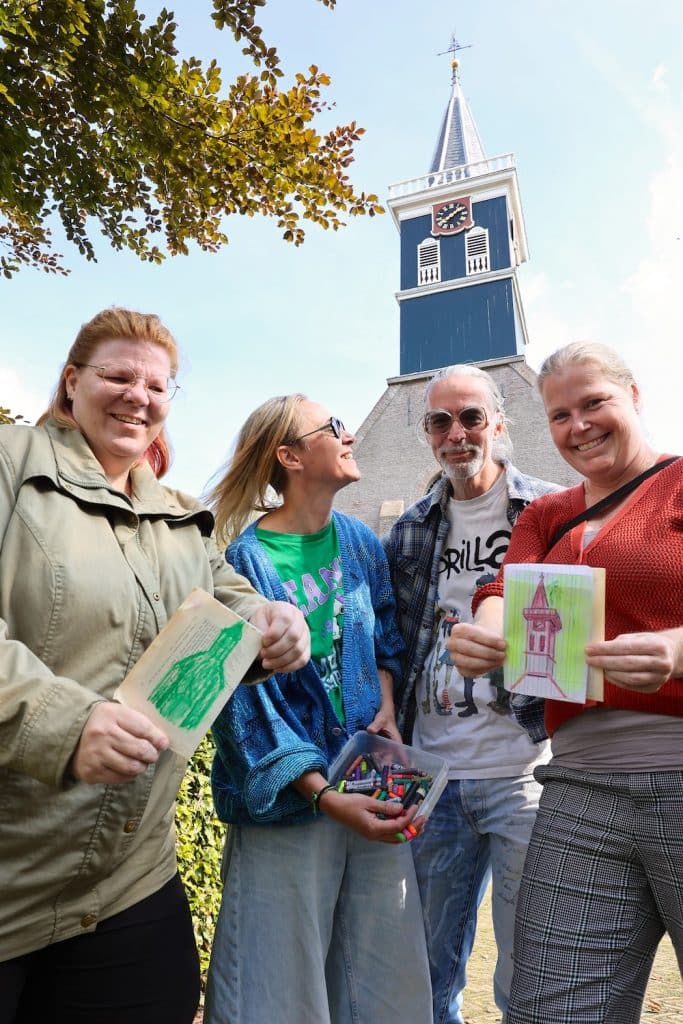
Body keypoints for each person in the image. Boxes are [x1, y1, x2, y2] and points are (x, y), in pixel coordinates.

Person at [0, 308, 309, 1024]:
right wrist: (66, 724)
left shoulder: (179, 519)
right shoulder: (11, 465)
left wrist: (272, 622)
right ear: (72, 381)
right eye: (117, 375)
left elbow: (233, 605)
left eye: (157, 385)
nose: (138, 395)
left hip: (129, 880)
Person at [449, 341, 683, 1024]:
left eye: (593, 403)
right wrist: (488, 630)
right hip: (577, 785)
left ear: (633, 396)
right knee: (549, 1008)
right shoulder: (546, 515)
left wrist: (674, 650)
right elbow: (502, 588)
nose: (577, 425)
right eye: (559, 415)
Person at [204, 394, 432, 1024]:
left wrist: (386, 705)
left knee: (387, 970)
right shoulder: (241, 563)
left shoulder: (359, 541)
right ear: (291, 456)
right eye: (333, 426)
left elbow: (386, 636)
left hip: (371, 776)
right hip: (291, 804)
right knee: (278, 983)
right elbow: (242, 705)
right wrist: (321, 794)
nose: (349, 434)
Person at [383, 364, 560, 1024]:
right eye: (439, 421)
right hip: (433, 774)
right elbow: (393, 647)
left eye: (470, 418)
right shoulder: (408, 530)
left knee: (529, 970)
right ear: (427, 433)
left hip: (523, 771)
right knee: (425, 968)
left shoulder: (547, 513)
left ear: (498, 424)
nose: (455, 434)